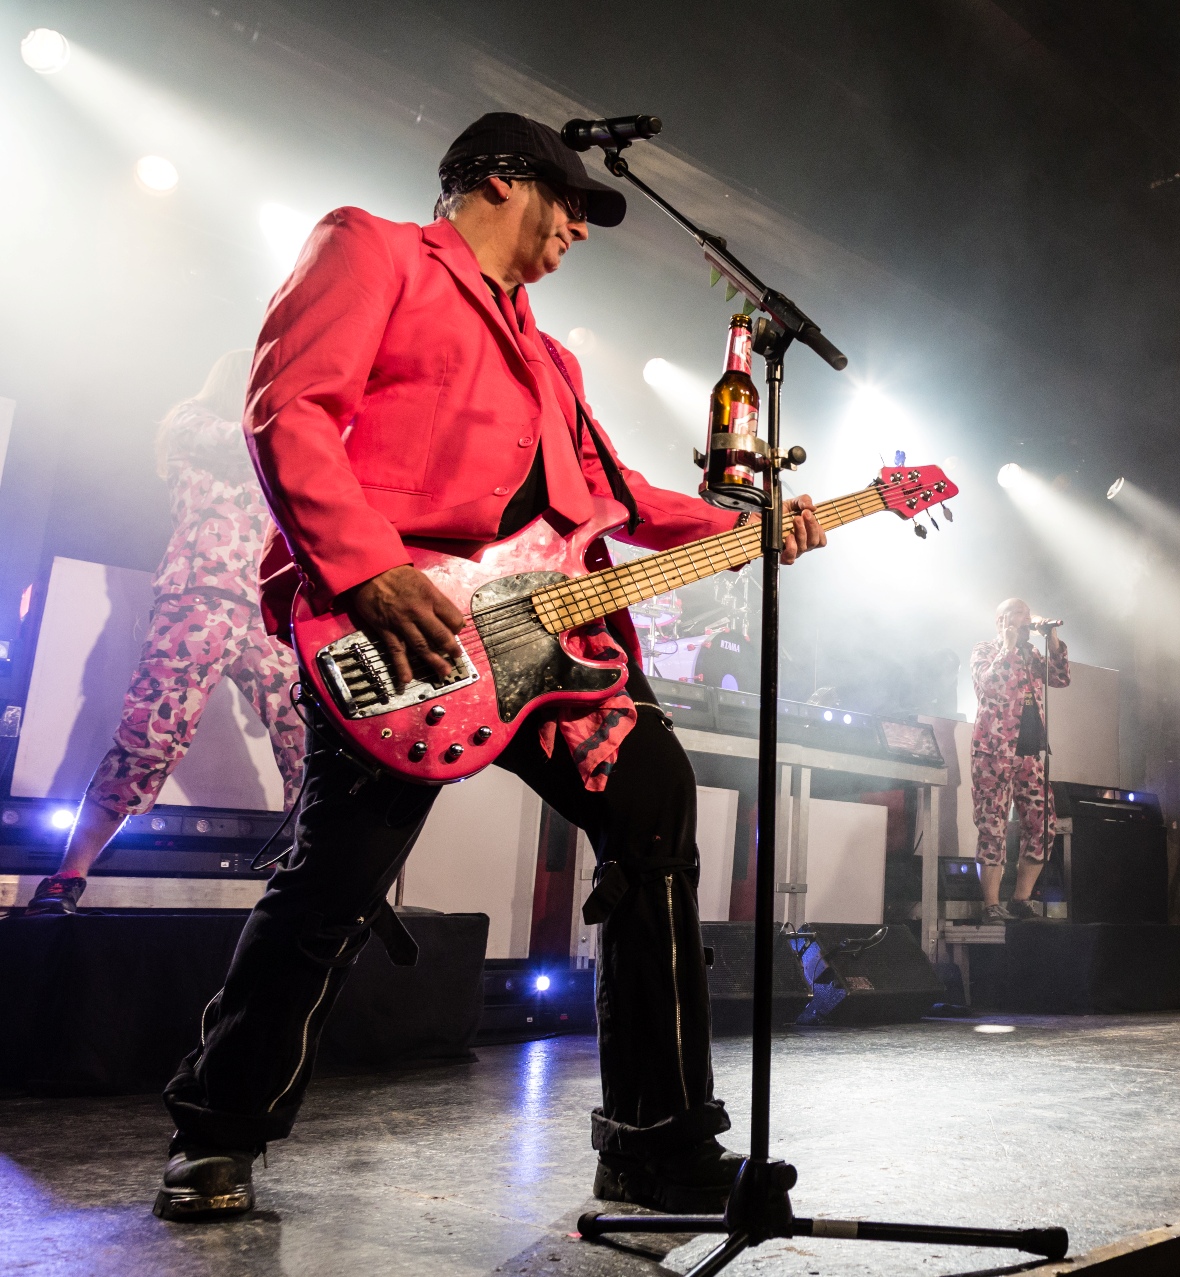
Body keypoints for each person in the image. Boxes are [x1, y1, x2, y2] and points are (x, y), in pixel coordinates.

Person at [153, 113, 827, 1222]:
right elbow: (290, 410)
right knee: (334, 880)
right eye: (571, 204)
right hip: (402, 626)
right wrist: (367, 570)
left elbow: (617, 498)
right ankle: (216, 1130)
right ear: (503, 181)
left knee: (655, 803)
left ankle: (656, 1144)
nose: (580, 230)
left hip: (553, 642)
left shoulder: (552, 357)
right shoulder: (370, 248)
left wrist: (750, 524)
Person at [20, 352, 306, 917]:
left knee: (306, 734)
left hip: (259, 612)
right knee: (149, 738)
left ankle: (298, 870)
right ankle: (67, 876)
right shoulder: (192, 424)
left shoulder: (271, 456)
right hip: (198, 597)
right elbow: (253, 439)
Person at [968, 598, 1069, 922]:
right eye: (1018, 615)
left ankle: (1020, 900)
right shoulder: (985, 650)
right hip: (994, 753)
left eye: (1028, 615)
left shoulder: (1032, 654)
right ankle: (991, 905)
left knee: (1043, 827)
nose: (1026, 620)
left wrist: (1052, 638)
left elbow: (1060, 677)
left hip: (1029, 755)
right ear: (1001, 621)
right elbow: (989, 686)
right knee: (992, 828)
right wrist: (1008, 648)